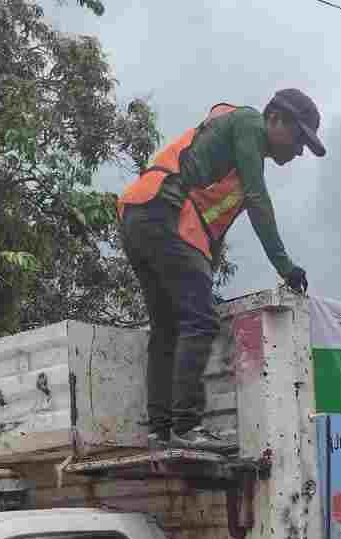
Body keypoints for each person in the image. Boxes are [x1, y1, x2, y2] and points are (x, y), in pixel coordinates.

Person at [117, 90, 324, 455]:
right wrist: (286, 267)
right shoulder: (249, 124)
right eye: (298, 139)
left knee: (167, 328)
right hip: (162, 212)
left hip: (140, 214)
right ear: (275, 119)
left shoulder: (239, 160)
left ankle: (161, 430)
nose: (298, 151)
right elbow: (260, 203)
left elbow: (214, 234)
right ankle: (186, 427)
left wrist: (205, 276)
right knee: (200, 322)